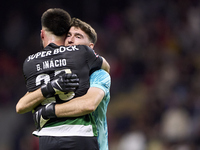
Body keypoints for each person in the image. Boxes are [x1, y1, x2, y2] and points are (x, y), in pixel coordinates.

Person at [16, 9, 110, 150]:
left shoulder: (99, 75)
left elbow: (88, 105)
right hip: (53, 138)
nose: (71, 40)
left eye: (78, 36)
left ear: (91, 48)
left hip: (93, 141)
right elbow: (21, 105)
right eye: (69, 35)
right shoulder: (58, 72)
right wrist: (50, 87)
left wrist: (48, 111)